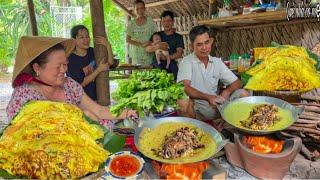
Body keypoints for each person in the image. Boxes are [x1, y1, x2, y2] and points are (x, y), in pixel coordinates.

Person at [6, 36, 137, 123]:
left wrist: (126, 112)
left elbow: (98, 110)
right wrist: (81, 116)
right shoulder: (23, 96)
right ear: (37, 68)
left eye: (65, 64)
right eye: (58, 66)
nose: (64, 70)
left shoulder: (69, 84)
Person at [177, 25, 243, 121]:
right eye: (199, 44)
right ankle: (193, 128)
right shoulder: (187, 61)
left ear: (211, 41)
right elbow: (184, 87)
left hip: (216, 105)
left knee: (243, 94)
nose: (204, 47)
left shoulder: (217, 62)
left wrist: (226, 92)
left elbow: (237, 82)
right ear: (191, 46)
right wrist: (208, 97)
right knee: (182, 101)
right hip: (198, 109)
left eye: (206, 42)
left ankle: (227, 126)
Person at [67, 25, 112, 101]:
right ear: (74, 40)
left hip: (97, 96)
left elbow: (110, 63)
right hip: (80, 100)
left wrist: (108, 45)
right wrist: (98, 70)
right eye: (82, 37)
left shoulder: (92, 51)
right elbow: (81, 83)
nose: (86, 40)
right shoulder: (70, 59)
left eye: (87, 36)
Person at [146, 11, 184, 80]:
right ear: (161, 23)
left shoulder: (178, 37)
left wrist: (166, 58)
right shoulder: (157, 35)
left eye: (169, 21)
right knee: (158, 83)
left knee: (175, 83)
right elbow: (147, 49)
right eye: (164, 21)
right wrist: (158, 46)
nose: (166, 23)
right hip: (158, 63)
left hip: (171, 64)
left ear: (173, 22)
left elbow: (179, 53)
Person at [126, 0, 157, 66]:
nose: (140, 11)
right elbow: (128, 40)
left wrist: (151, 42)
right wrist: (141, 44)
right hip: (136, 55)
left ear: (145, 9)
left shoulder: (150, 21)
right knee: (138, 75)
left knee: (149, 74)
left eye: (142, 8)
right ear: (134, 10)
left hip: (149, 53)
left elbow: (155, 35)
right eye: (137, 9)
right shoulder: (131, 23)